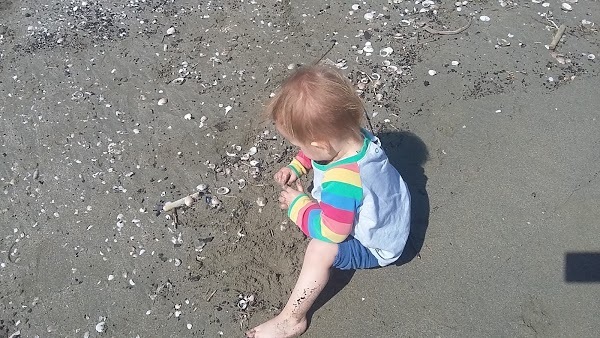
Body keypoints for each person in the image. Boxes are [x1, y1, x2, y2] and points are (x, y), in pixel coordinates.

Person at [246, 65, 411, 338]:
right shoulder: (353, 137)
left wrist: (298, 204)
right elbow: (316, 154)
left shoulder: (342, 181)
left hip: (379, 245)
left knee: (320, 250)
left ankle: (291, 320)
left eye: (300, 145)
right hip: (393, 214)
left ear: (320, 145)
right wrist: (297, 167)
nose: (300, 151)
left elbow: (333, 231)